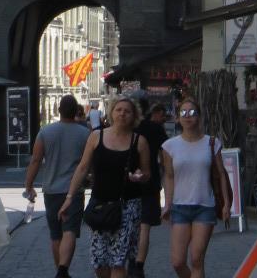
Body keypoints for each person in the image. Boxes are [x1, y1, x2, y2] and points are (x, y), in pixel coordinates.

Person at [59, 96, 150, 278]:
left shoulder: (140, 141)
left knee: (118, 261)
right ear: (111, 112)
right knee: (100, 263)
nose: (122, 114)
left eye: (127, 111)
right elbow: (82, 168)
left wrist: (140, 176)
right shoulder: (96, 137)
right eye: (119, 110)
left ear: (134, 116)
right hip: (99, 205)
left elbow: (147, 174)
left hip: (127, 207)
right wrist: (69, 198)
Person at [161, 96, 230, 278]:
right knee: (178, 262)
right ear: (178, 117)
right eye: (183, 112)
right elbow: (169, 176)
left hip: (204, 206)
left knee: (197, 259)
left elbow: (221, 174)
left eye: (192, 112)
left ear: (199, 116)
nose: (187, 116)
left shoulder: (211, 143)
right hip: (180, 207)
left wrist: (226, 204)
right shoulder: (169, 146)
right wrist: (167, 204)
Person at [24, 93, 88, 278]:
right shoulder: (85, 134)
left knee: (56, 234)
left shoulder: (45, 132)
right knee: (70, 231)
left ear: (59, 110)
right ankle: (63, 270)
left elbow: (36, 160)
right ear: (76, 111)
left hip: (51, 190)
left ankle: (59, 271)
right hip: (73, 191)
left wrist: (29, 185)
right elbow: (89, 163)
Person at [132, 102, 168, 278]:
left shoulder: (129, 127)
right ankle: (139, 265)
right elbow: (165, 155)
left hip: (129, 182)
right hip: (150, 180)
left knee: (129, 225)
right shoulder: (156, 129)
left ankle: (129, 261)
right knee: (144, 226)